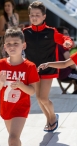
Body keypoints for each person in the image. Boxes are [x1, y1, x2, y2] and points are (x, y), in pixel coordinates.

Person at [23, 1, 73, 132]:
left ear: (44, 16)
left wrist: (67, 42)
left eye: (37, 15)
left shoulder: (51, 32)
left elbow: (64, 39)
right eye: (32, 15)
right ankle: (49, 119)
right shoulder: (25, 32)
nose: (34, 17)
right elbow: (18, 45)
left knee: (43, 97)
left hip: (48, 69)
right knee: (38, 98)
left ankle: (52, 118)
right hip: (32, 70)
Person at [57, 26, 77, 94]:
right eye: (65, 33)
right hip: (65, 74)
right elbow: (71, 65)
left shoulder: (55, 45)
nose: (68, 35)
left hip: (58, 73)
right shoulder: (63, 45)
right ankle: (75, 94)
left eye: (67, 33)